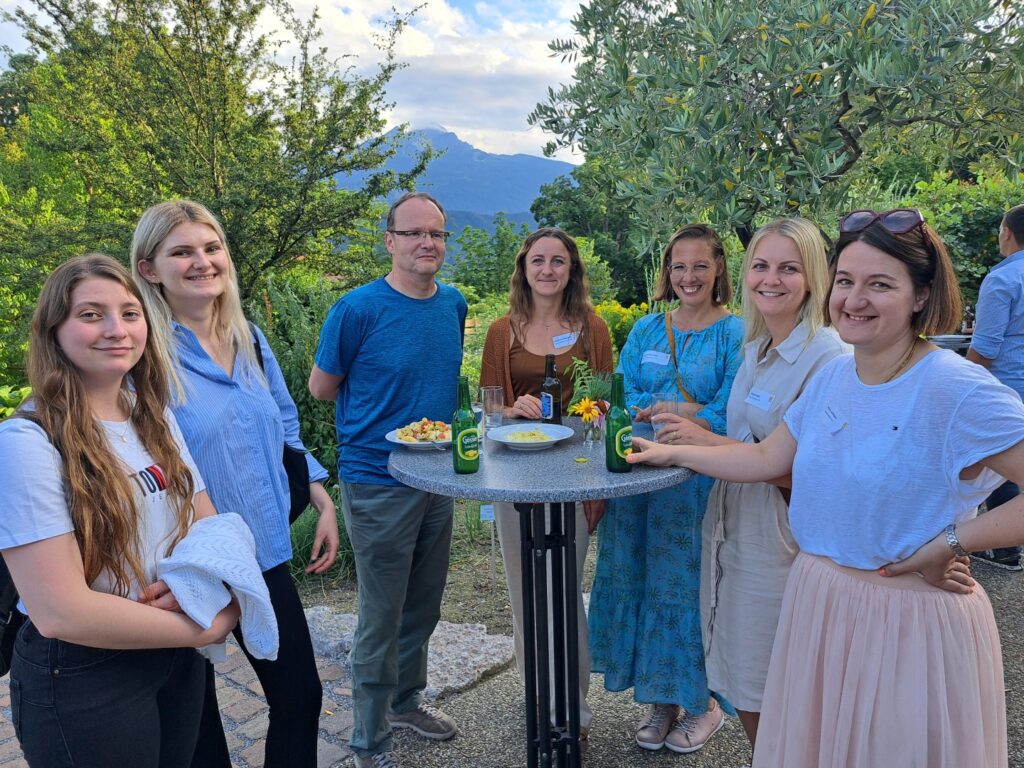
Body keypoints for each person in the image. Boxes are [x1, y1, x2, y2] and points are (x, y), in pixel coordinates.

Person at [628, 208, 1023, 768]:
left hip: (905, 619)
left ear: (921, 296)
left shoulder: (955, 388)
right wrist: (667, 450)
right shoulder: (839, 374)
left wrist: (952, 543)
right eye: (846, 281)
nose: (854, 299)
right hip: (822, 601)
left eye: (879, 284)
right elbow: (767, 456)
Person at [0, 254, 240, 768]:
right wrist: (211, 625)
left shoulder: (150, 414)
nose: (117, 329)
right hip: (86, 673)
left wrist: (200, 588)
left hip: (173, 652)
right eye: (91, 315)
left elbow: (208, 525)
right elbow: (60, 611)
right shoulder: (27, 441)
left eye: (130, 313)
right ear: (53, 330)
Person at [131, 200, 339, 768]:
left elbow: (284, 422)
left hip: (261, 551)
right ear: (149, 269)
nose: (202, 262)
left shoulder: (248, 336)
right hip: (183, 564)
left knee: (300, 697)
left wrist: (320, 497)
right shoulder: (142, 354)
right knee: (197, 728)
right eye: (182, 252)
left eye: (211, 247)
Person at [654, 218, 847, 750]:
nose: (771, 279)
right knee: (745, 680)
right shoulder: (757, 349)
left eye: (789, 268)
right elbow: (749, 444)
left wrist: (677, 449)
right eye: (761, 266)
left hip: (782, 540)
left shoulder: (826, 359)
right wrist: (691, 436)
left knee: (777, 685)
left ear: (813, 277)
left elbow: (795, 467)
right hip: (733, 529)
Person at [309, 191, 467, 768]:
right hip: (377, 478)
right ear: (390, 241)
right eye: (415, 233)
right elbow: (321, 387)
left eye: (438, 234)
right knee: (381, 613)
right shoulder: (358, 309)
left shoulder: (451, 304)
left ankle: (406, 702)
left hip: (437, 477)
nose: (429, 243)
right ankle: (369, 736)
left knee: (423, 604)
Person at [588, 223, 743, 754]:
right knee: (642, 581)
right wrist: (667, 410)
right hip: (638, 481)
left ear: (719, 268)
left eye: (700, 265)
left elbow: (731, 412)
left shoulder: (736, 335)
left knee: (691, 590)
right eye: (679, 266)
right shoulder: (648, 330)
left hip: (695, 485)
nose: (689, 276)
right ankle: (661, 701)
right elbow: (626, 391)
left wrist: (677, 410)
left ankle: (706, 705)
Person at [479, 227, 613, 743]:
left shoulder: (591, 327)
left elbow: (604, 408)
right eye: (539, 260)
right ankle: (538, 697)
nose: (548, 269)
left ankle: (573, 709)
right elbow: (490, 408)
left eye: (559, 261)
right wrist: (512, 407)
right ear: (525, 268)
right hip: (516, 477)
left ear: (572, 270)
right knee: (524, 593)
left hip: (575, 477)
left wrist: (597, 487)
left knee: (563, 593)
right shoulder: (501, 330)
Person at [966, 203, 1024, 571]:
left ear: (1006, 232)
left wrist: (956, 382)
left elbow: (985, 347)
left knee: (993, 464)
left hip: (1007, 388)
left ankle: (1003, 548)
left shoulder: (1002, 279)